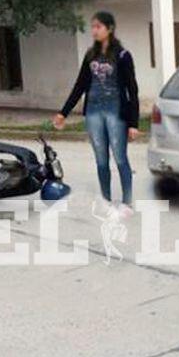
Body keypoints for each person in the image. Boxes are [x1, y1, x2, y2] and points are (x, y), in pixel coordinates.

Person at [53, 11, 140, 210]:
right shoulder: (90, 55)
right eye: (92, 27)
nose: (94, 31)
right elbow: (80, 85)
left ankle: (127, 202)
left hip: (115, 111)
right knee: (101, 159)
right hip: (93, 112)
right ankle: (106, 200)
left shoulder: (123, 55)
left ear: (109, 29)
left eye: (98, 27)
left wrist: (133, 123)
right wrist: (63, 113)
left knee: (120, 158)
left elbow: (132, 90)